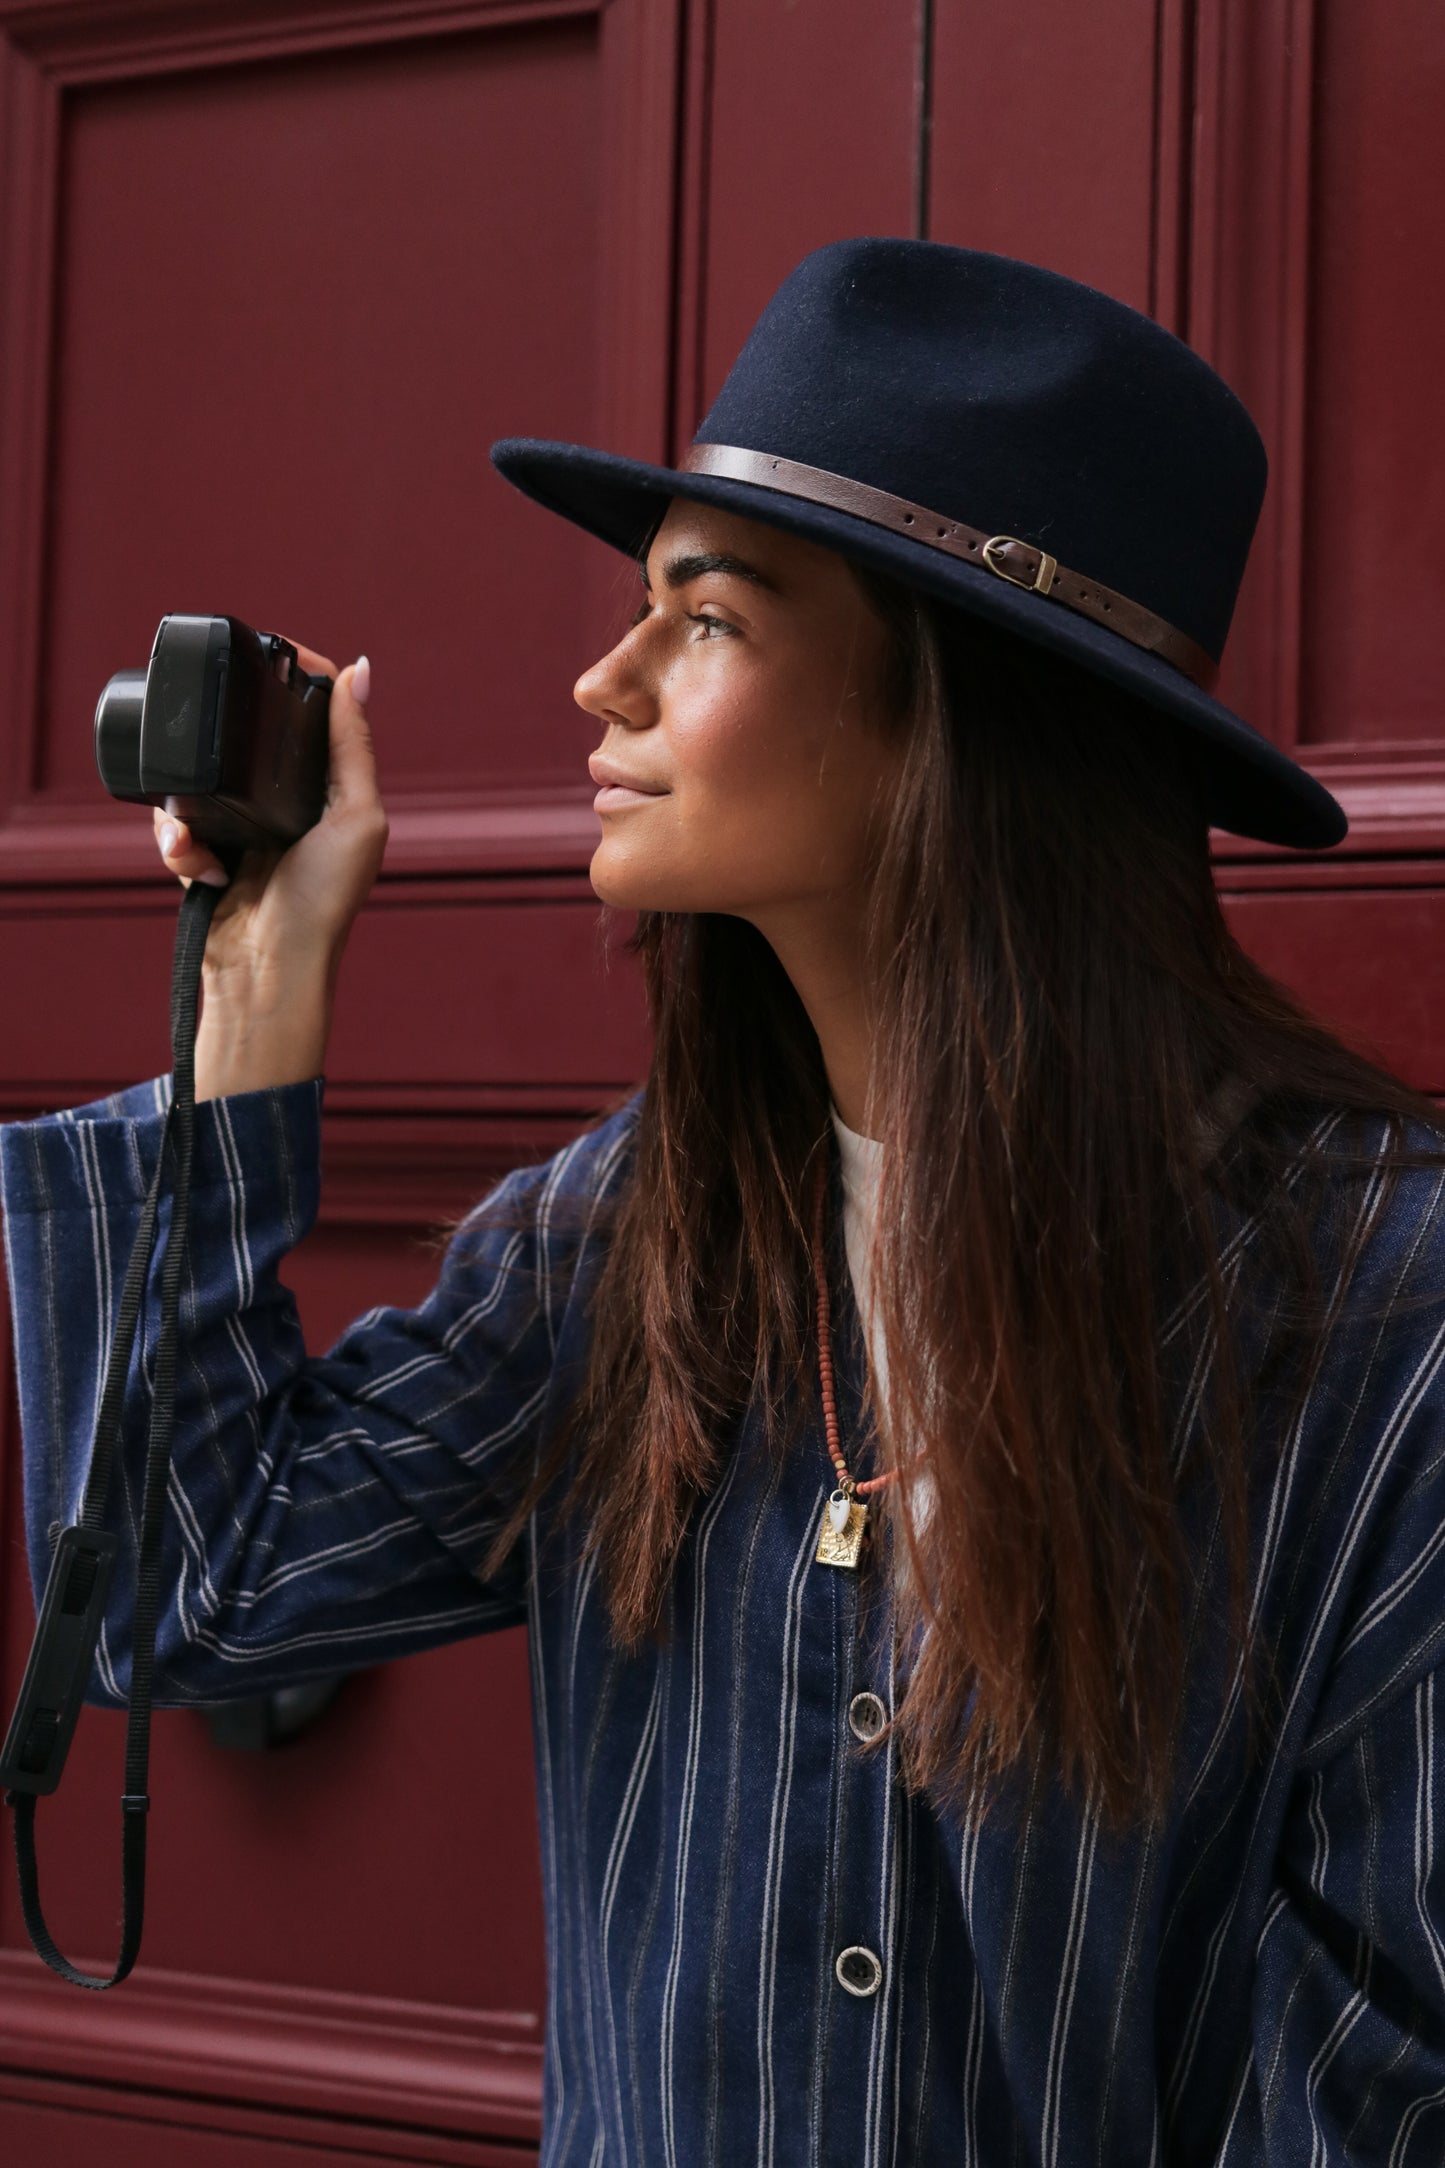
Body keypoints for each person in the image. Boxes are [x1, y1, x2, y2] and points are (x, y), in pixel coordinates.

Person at [5, 237, 1445, 2163]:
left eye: (706, 616)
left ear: (956, 709)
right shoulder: (624, 1242)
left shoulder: (1374, 1301)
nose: (600, 679)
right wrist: (257, 986)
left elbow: (1378, 2061)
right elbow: (190, 1585)